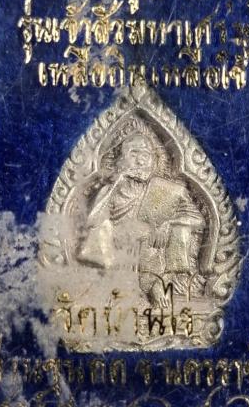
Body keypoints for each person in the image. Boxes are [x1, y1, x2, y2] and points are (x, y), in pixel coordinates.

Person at [78, 126, 206, 306]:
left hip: (153, 252)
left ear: (154, 160)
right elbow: (92, 222)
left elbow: (198, 220)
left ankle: (155, 284)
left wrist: (169, 223)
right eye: (134, 154)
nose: (140, 160)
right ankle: (124, 286)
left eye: (146, 155)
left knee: (161, 232)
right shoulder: (110, 190)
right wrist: (116, 183)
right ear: (121, 160)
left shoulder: (166, 190)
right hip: (117, 251)